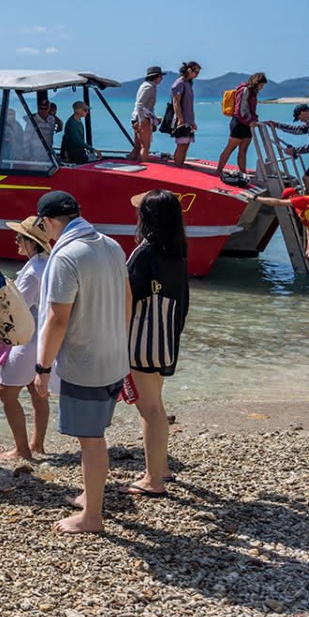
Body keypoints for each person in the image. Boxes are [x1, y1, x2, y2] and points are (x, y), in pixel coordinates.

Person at [31, 190, 131, 534]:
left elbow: (57, 319)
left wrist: (42, 368)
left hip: (87, 362)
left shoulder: (66, 256)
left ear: (46, 222)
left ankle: (92, 517)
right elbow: (127, 299)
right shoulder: (111, 245)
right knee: (95, 435)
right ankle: (91, 495)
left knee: (90, 441)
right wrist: (120, 340)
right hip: (114, 356)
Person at [124, 191, 190, 497]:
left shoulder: (145, 252)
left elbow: (127, 299)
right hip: (165, 339)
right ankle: (160, 467)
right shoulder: (177, 251)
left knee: (148, 410)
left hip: (141, 342)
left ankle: (153, 479)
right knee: (156, 405)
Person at [0, 219, 52, 461]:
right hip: (44, 337)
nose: (15, 241)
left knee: (5, 392)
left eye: (19, 238)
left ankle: (22, 448)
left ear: (31, 242)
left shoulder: (32, 271)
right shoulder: (48, 264)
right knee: (36, 390)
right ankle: (37, 444)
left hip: (27, 338)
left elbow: (17, 308)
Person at [213, 73, 267, 184]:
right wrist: (249, 121)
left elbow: (251, 110)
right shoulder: (245, 90)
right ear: (257, 82)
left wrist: (254, 120)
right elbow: (240, 110)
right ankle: (218, 170)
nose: (262, 87)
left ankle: (242, 171)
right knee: (230, 148)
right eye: (261, 84)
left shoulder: (253, 93)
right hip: (239, 123)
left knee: (243, 150)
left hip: (247, 124)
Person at [169, 61, 200, 167]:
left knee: (186, 144)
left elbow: (189, 105)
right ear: (189, 70)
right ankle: (177, 166)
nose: (196, 75)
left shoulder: (188, 83)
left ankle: (180, 164)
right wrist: (180, 119)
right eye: (196, 72)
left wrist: (192, 121)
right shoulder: (179, 83)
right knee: (181, 144)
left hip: (189, 119)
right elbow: (176, 102)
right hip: (182, 119)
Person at [129, 66, 164, 161]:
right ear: (157, 77)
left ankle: (132, 163)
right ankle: (143, 165)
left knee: (138, 146)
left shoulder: (146, 85)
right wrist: (142, 120)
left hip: (137, 117)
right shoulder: (149, 87)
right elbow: (140, 104)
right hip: (142, 118)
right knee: (145, 146)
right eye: (161, 76)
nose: (162, 79)